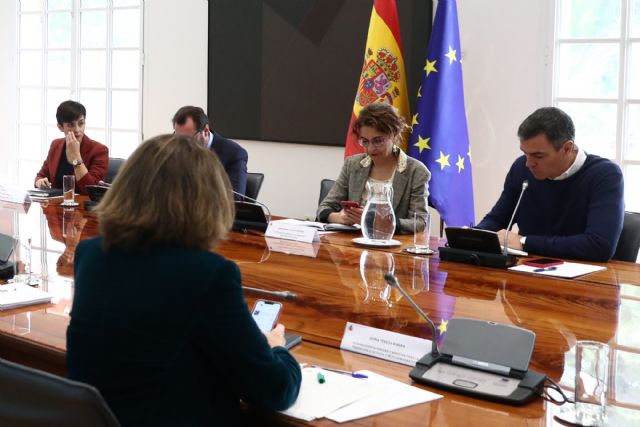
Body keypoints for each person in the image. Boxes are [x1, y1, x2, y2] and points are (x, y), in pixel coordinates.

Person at [66, 134, 301, 426]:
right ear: (207, 201)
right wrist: (276, 346)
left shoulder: (90, 254)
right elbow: (274, 389)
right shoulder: (207, 274)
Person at [476, 107, 624, 262]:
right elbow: (497, 219)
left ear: (567, 148)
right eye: (524, 153)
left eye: (538, 156)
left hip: (584, 279)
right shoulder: (521, 169)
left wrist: (524, 242)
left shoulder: (605, 175)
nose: (528, 163)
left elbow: (599, 246)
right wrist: (472, 236)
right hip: (527, 272)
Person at [317, 102, 431, 234]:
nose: (370, 149)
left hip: (391, 247)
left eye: (378, 141)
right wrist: (340, 217)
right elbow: (324, 208)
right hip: (351, 245)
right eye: (365, 141)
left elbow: (420, 222)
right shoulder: (353, 164)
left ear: (394, 134)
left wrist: (376, 221)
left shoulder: (416, 171)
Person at [34, 100, 108, 195]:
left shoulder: (99, 150)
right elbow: (41, 175)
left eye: (81, 123)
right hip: (56, 205)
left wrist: (76, 159)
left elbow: (91, 190)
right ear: (60, 127)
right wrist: (40, 182)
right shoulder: (55, 145)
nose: (77, 130)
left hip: (82, 207)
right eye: (71, 125)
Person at [172, 105, 248, 197]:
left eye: (188, 139)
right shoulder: (175, 151)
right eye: (178, 137)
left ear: (206, 131)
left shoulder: (234, 154)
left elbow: (235, 199)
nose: (182, 144)